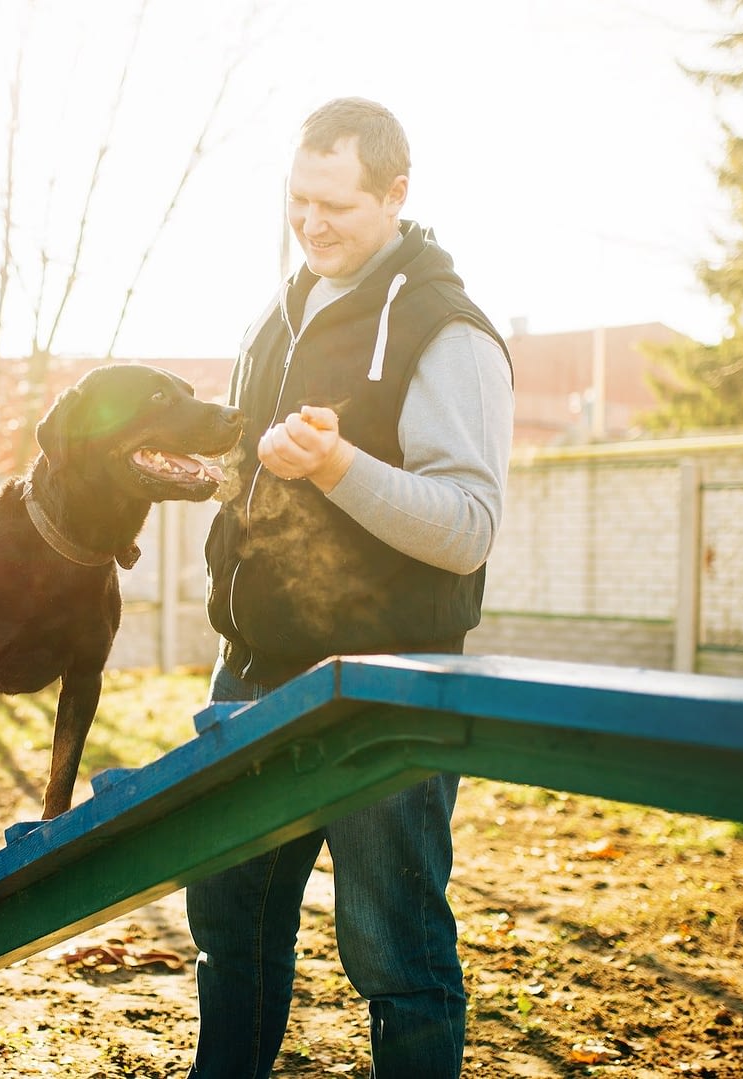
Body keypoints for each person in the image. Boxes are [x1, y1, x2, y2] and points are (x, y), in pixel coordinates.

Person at [189, 97, 515, 1078]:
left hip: (387, 685)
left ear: (395, 193)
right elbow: (245, 474)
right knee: (230, 923)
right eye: (298, 199)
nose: (311, 222)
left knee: (393, 948)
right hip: (252, 674)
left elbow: (468, 529)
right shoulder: (277, 313)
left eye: (335, 204)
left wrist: (337, 467)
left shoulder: (448, 332)